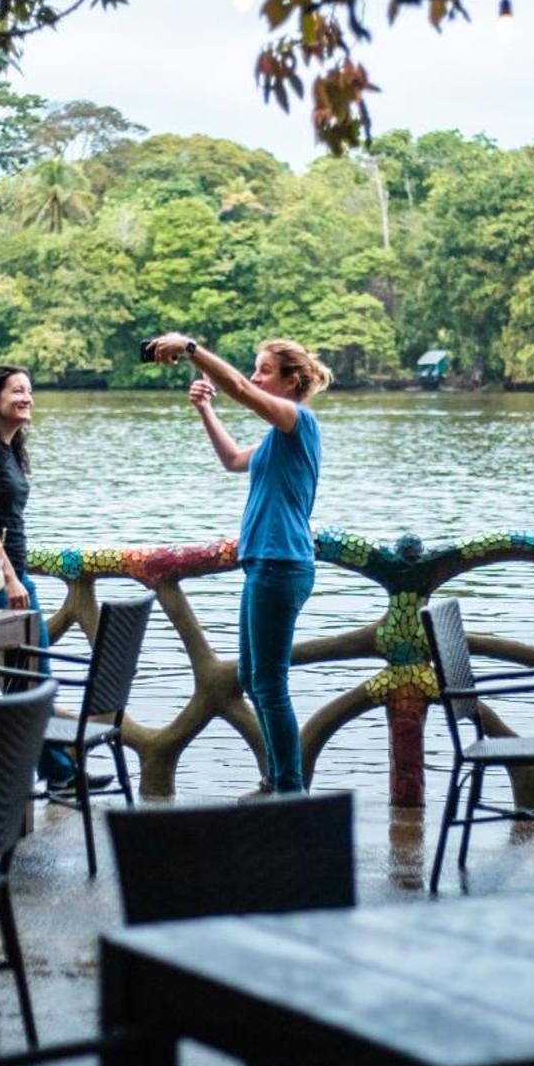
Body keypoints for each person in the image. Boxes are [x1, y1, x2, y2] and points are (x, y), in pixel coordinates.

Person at [146, 333, 330, 795]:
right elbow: (232, 460)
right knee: (253, 677)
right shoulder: (276, 437)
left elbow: (244, 393)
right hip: (265, 564)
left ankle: (289, 788)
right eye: (254, 368)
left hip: (281, 562)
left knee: (268, 683)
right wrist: (206, 410)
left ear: (291, 382)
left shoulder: (298, 422)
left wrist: (190, 349)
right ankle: (279, 779)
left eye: (264, 369)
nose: (254, 377)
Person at [0, 365, 99, 793]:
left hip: (10, 577)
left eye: (29, 391)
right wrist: (9, 580)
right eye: (17, 391)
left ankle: (58, 772)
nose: (27, 397)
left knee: (31, 677)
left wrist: (17, 578)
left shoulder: (9, 450)